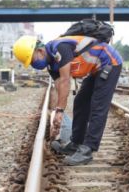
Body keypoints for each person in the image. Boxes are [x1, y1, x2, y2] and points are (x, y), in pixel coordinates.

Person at [13, 34, 122, 165]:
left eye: (31, 60)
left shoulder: (60, 48)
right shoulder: (51, 64)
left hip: (110, 62)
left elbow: (65, 81)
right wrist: (58, 115)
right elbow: (59, 86)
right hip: (95, 69)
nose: (33, 65)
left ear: (40, 51)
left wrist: (60, 111)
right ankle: (76, 143)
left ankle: (88, 149)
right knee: (80, 102)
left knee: (98, 106)